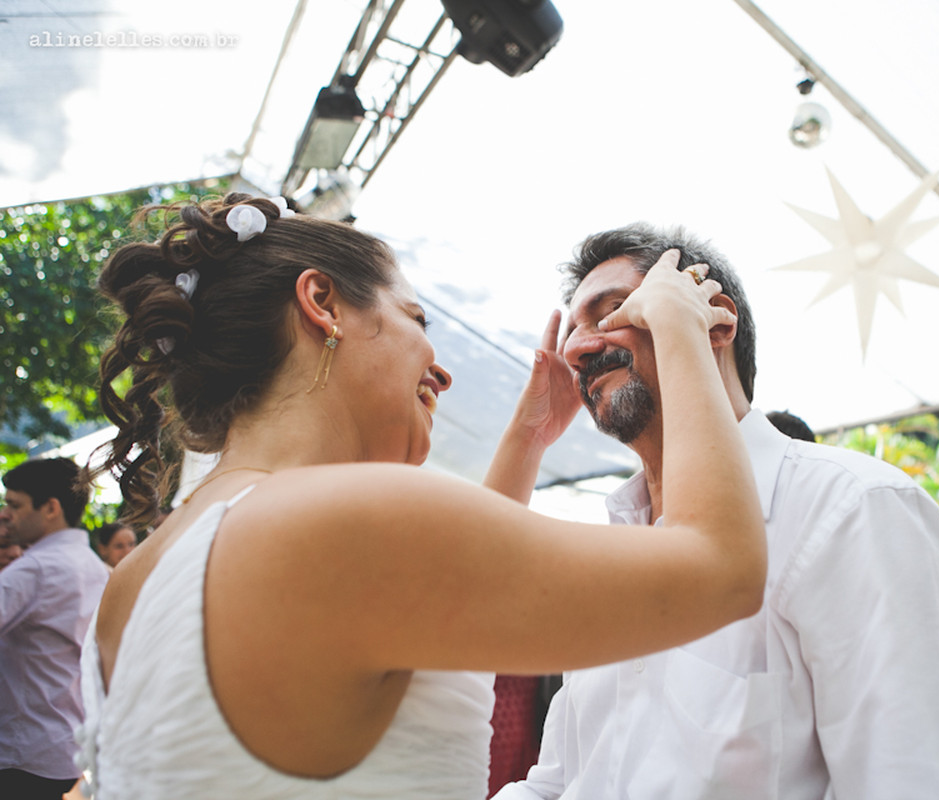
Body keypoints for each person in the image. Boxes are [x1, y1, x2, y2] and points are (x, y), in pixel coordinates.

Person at [76, 195, 768, 798]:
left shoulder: (138, 577)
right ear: (322, 305)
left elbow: (435, 618)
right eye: (416, 319)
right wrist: (680, 329)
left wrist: (528, 439)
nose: (440, 369)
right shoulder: (346, 522)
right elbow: (723, 567)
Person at [494, 223, 939, 799]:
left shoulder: (857, 510)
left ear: (713, 322)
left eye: (613, 312)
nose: (576, 349)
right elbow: (560, 783)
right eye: (573, 332)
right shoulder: (608, 560)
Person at [0, 458, 110, 799]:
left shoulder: (34, 570)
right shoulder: (93, 565)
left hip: (23, 750)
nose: (6, 514)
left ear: (50, 508)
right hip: (62, 743)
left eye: (15, 505)